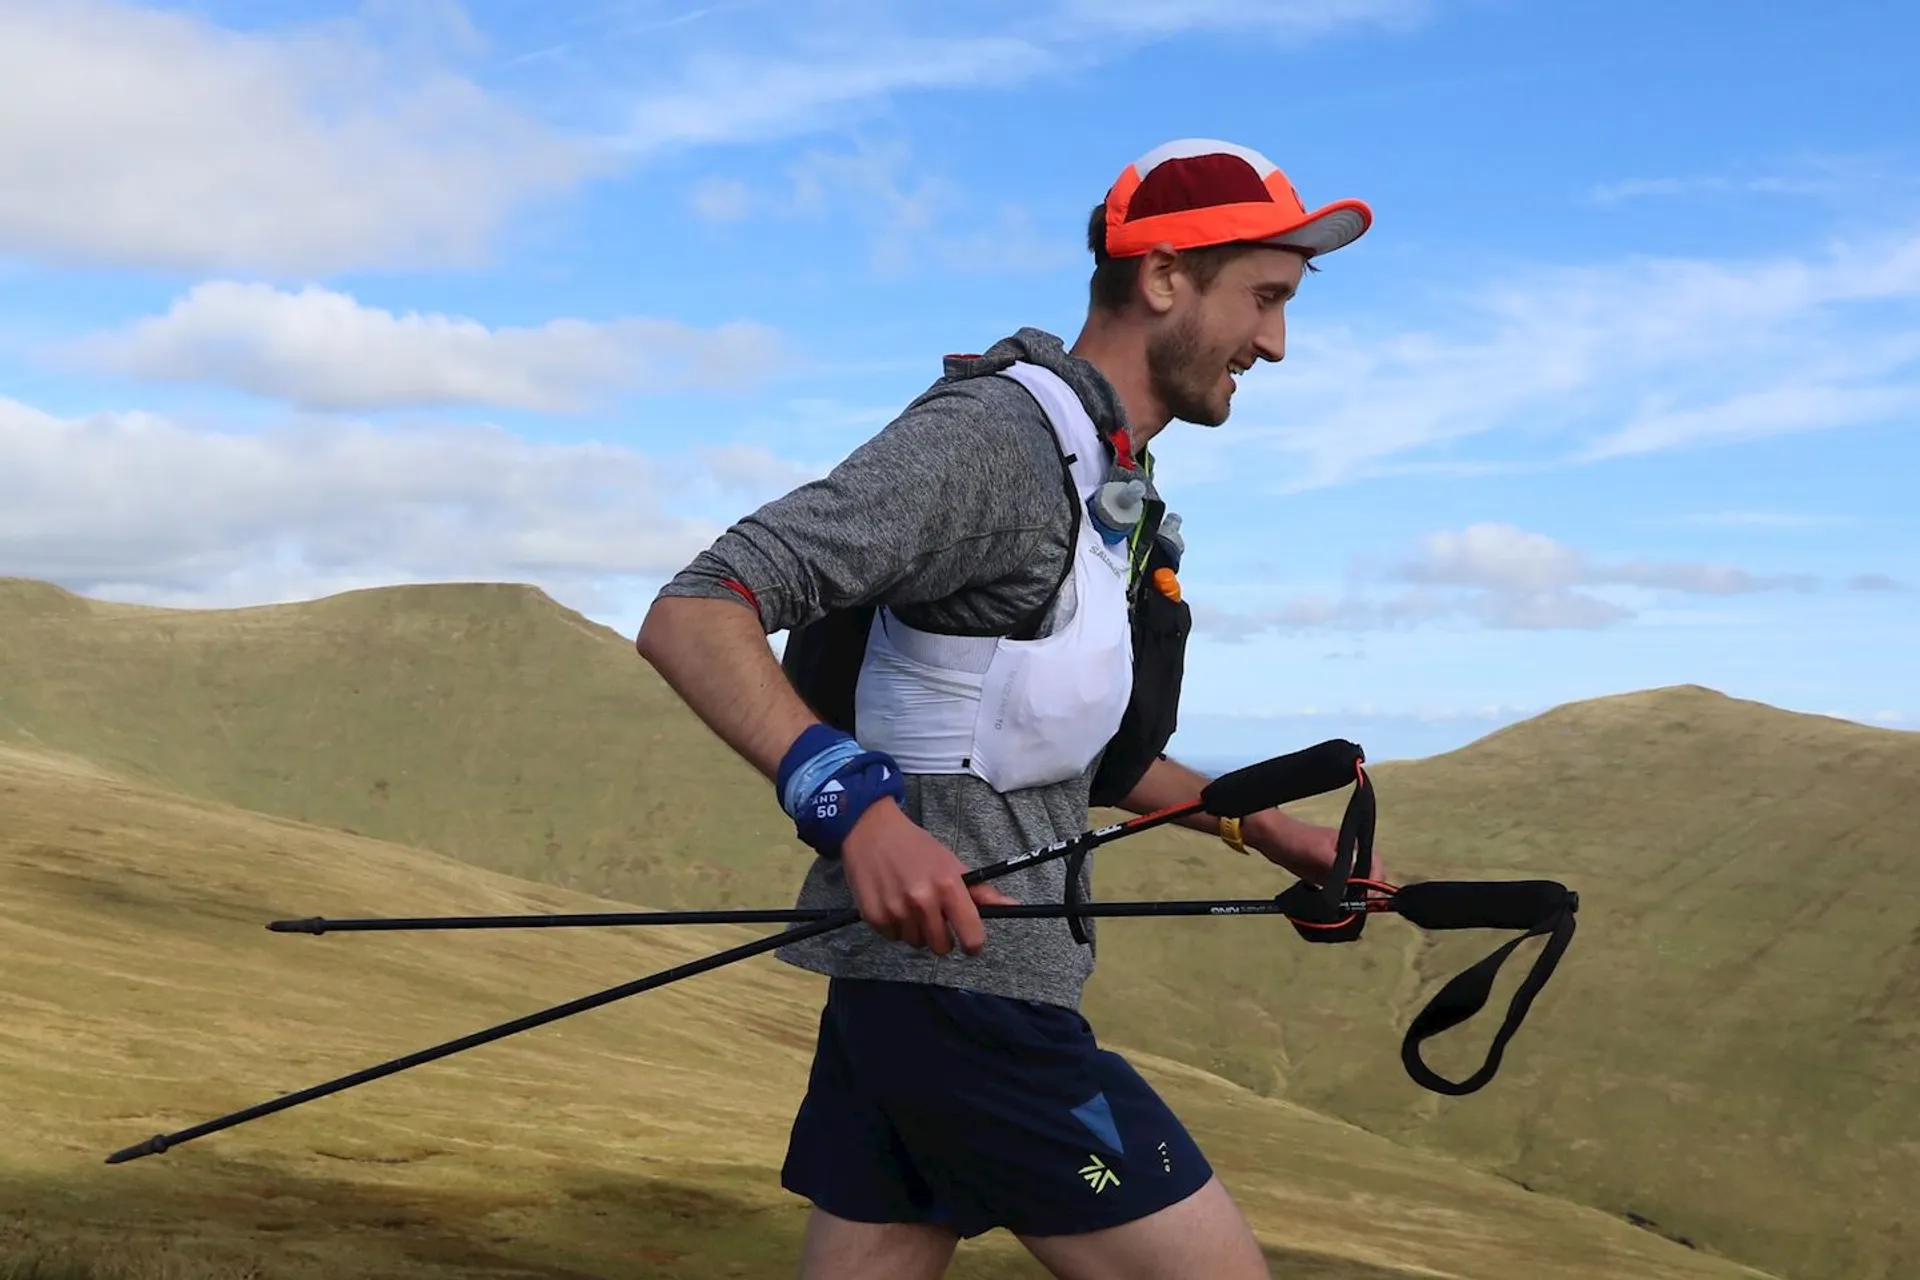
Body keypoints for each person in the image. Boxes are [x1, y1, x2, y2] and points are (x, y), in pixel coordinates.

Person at [635, 138, 1388, 1280]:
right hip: (967, 1002)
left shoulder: (1105, 475)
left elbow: (1045, 745)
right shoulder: (994, 442)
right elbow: (698, 608)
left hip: (924, 987)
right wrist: (858, 811)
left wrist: (1264, 828)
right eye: (1266, 297)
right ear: (1165, 276)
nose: (1276, 343)